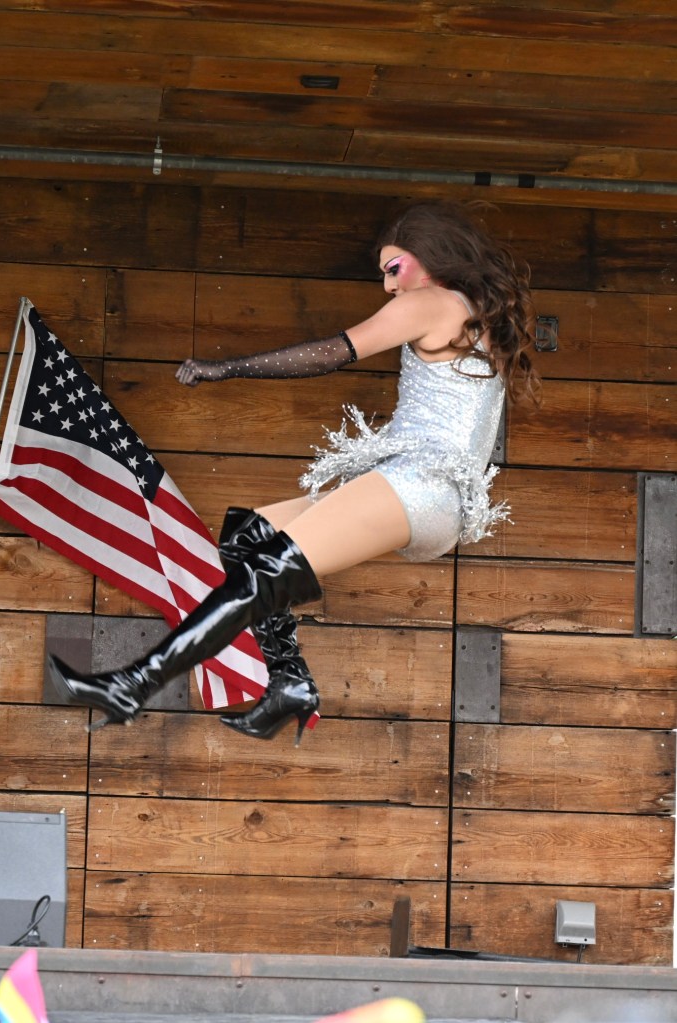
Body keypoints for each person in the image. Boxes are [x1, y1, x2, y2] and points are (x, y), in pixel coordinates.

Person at [48, 199, 541, 745]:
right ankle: (288, 683)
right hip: (433, 501)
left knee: (265, 572)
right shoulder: (474, 313)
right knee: (248, 535)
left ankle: (132, 683)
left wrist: (228, 368)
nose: (388, 286)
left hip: (417, 486)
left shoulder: (430, 302)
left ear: (429, 256)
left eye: (394, 269)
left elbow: (333, 352)